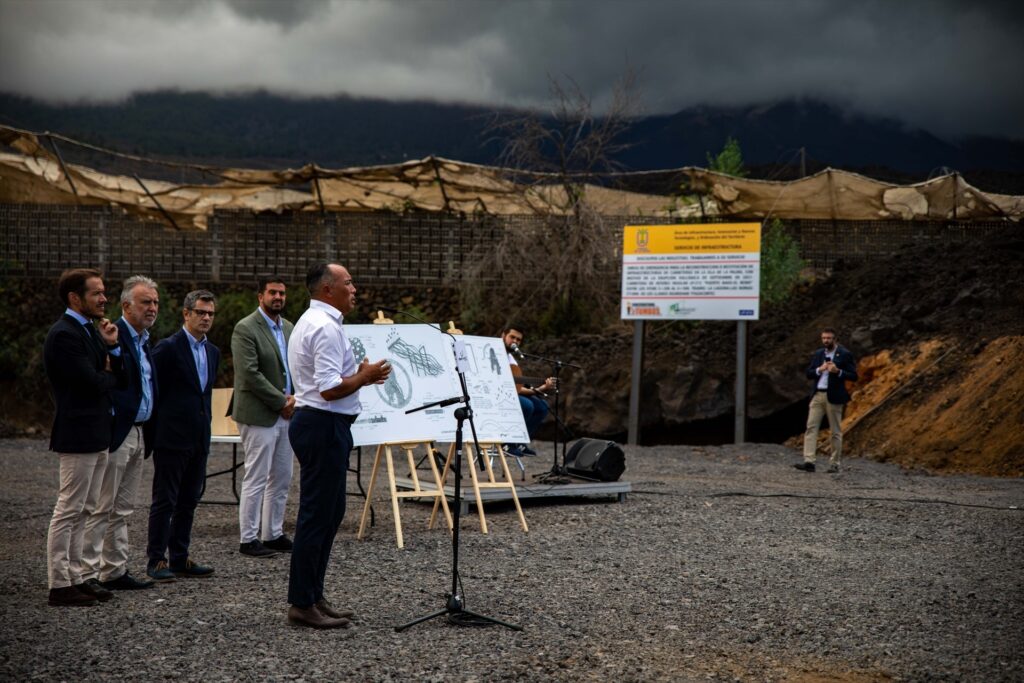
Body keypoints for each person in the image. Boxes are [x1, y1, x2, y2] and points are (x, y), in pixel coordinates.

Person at [285, 262, 390, 629]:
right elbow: (329, 389)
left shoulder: (315, 322)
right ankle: (302, 602)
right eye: (348, 282)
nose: (354, 288)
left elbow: (328, 382)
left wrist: (359, 377)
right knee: (317, 515)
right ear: (328, 289)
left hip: (321, 424)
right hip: (322, 424)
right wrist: (364, 376)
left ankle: (313, 594)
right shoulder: (324, 327)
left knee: (330, 513)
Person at [43, 268, 128, 607]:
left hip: (97, 432)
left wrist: (112, 349)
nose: (104, 298)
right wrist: (105, 374)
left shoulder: (91, 330)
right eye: (97, 293)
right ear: (74, 298)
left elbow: (118, 378)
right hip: (77, 433)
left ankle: (77, 577)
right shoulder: (64, 335)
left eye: (104, 292)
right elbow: (91, 383)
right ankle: (59, 583)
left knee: (87, 508)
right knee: (69, 509)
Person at [81, 276, 160, 591]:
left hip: (140, 431)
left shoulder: (145, 339)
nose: (152, 308)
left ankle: (114, 570)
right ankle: (88, 573)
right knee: (103, 505)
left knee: (124, 507)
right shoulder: (111, 335)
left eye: (155, 302)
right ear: (126, 305)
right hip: (118, 432)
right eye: (146, 302)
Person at [146, 290, 220, 581]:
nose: (206, 318)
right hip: (172, 437)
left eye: (210, 313)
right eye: (200, 312)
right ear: (186, 314)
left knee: (189, 499)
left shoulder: (212, 352)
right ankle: (156, 559)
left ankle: (179, 556)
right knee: (165, 500)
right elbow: (154, 390)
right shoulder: (168, 348)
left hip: (199, 436)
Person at [231, 275, 295, 558]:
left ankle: (273, 533)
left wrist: (295, 400)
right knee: (257, 476)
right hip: (259, 413)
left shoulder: (290, 328)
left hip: (288, 413)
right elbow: (250, 374)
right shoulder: (245, 328)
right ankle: (248, 539)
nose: (278, 297)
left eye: (282, 293)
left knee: (282, 476)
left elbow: (296, 367)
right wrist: (281, 401)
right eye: (272, 293)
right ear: (260, 296)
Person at [795, 327, 858, 473]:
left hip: (834, 396)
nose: (826, 341)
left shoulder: (844, 354)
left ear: (835, 339)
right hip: (818, 395)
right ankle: (809, 461)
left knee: (835, 431)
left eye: (828, 338)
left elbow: (853, 375)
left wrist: (838, 371)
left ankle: (834, 463)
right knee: (811, 427)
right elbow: (809, 373)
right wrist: (820, 369)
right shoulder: (819, 354)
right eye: (824, 338)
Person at [501, 325, 555, 457]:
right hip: (495, 395)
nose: (515, 341)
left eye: (518, 340)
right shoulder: (492, 352)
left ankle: (520, 442)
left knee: (542, 406)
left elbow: (517, 388)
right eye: (512, 337)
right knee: (527, 405)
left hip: (510, 394)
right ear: (503, 336)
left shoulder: (511, 360)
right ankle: (507, 443)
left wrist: (539, 389)